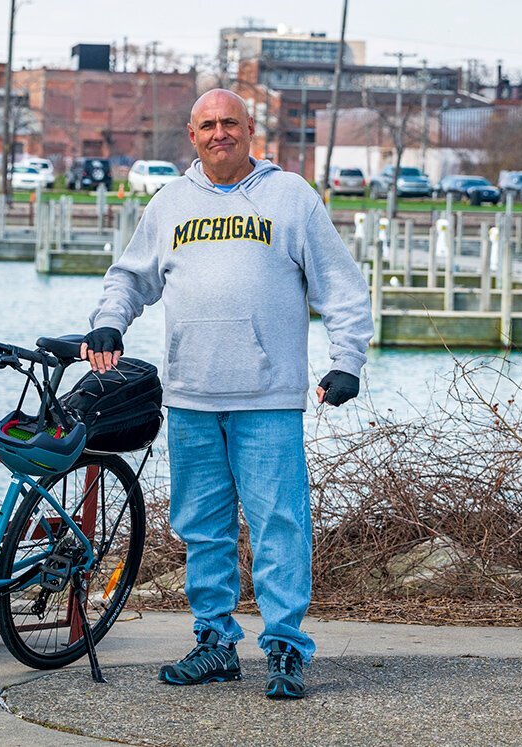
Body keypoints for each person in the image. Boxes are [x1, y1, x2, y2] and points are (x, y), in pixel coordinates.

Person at [80, 89, 373, 700]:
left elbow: (341, 288)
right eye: (208, 125)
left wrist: (347, 361)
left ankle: (286, 649)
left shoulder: (291, 197)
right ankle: (214, 644)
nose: (220, 134)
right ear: (192, 135)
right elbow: (130, 278)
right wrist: (111, 320)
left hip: (267, 399)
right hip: (190, 397)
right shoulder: (169, 204)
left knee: (279, 525)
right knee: (203, 528)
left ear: (249, 130)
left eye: (230, 124)